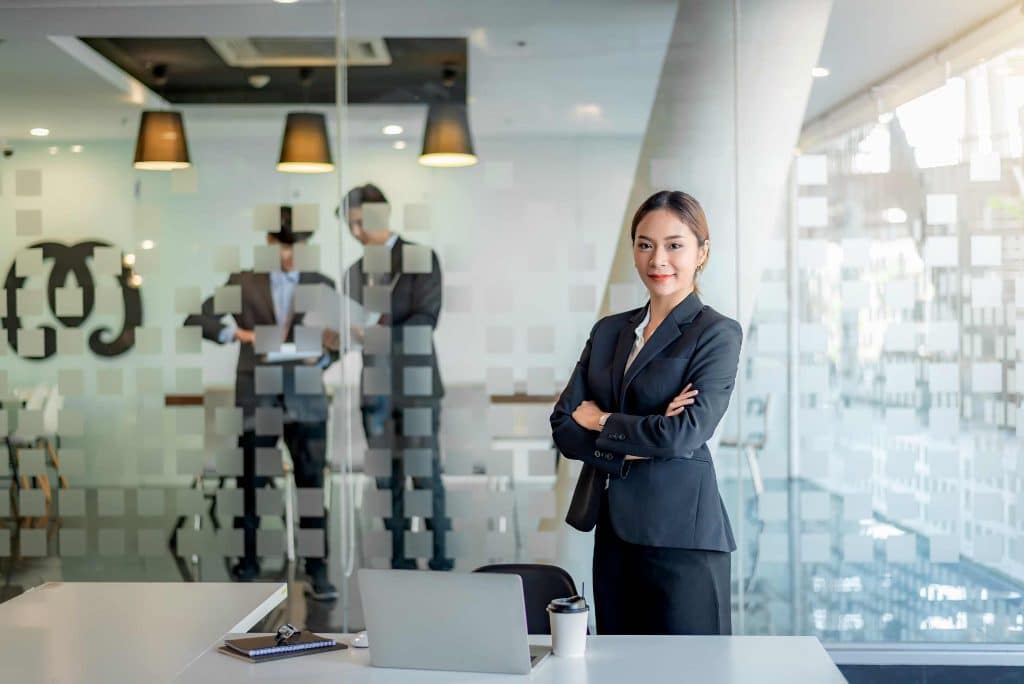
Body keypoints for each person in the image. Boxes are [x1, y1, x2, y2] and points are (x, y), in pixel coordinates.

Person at [550, 190, 742, 635]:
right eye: (645, 244)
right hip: (614, 537)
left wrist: (600, 421)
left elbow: (684, 435)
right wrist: (645, 436)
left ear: (701, 253)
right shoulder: (610, 331)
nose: (659, 258)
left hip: (684, 541)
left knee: (694, 673)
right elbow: (563, 427)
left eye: (675, 245)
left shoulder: (715, 334)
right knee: (620, 670)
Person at [186, 206, 340, 600]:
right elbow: (198, 319)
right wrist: (235, 333)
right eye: (285, 246)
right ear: (270, 241)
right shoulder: (243, 281)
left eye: (298, 246)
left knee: (310, 486)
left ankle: (317, 569)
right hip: (257, 396)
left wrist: (321, 357)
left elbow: (341, 339)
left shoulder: (320, 283)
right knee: (251, 483)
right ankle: (248, 563)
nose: (291, 254)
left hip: (305, 397)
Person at [342, 183, 451, 570]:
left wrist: (376, 331)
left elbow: (425, 320)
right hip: (376, 388)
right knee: (388, 484)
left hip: (417, 386)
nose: (356, 233)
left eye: (360, 223)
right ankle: (400, 568)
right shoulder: (353, 273)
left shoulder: (420, 258)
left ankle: (440, 565)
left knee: (424, 476)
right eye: (349, 226)